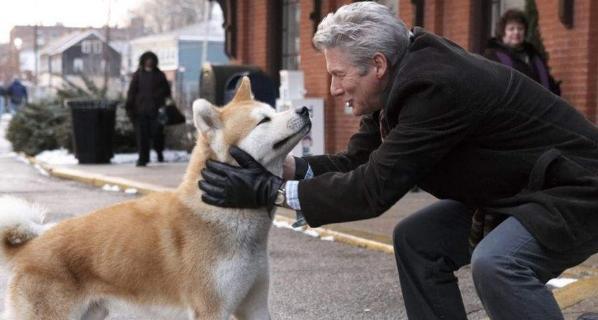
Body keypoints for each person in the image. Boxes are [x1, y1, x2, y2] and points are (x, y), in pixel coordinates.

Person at [198, 2, 598, 320]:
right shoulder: (399, 78)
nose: (335, 89)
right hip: (516, 189)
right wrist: (283, 171)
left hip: (573, 189)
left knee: (497, 264)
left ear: (377, 65)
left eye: (339, 75)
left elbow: (374, 188)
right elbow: (358, 160)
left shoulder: (435, 86)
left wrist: (271, 192)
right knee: (417, 240)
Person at [484, 9, 561, 96]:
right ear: (503, 32)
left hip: (540, 105)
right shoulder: (492, 56)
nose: (516, 32)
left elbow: (547, 82)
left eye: (520, 28)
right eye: (511, 29)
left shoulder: (534, 55)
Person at [125, 51, 171, 167]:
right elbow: (132, 92)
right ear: (143, 61)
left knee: (157, 134)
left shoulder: (160, 75)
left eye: (151, 59)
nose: (149, 61)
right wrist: (129, 106)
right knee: (142, 136)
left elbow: (167, 92)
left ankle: (159, 152)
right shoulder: (138, 75)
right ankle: (143, 159)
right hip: (140, 111)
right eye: (147, 59)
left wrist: (160, 101)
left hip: (156, 111)